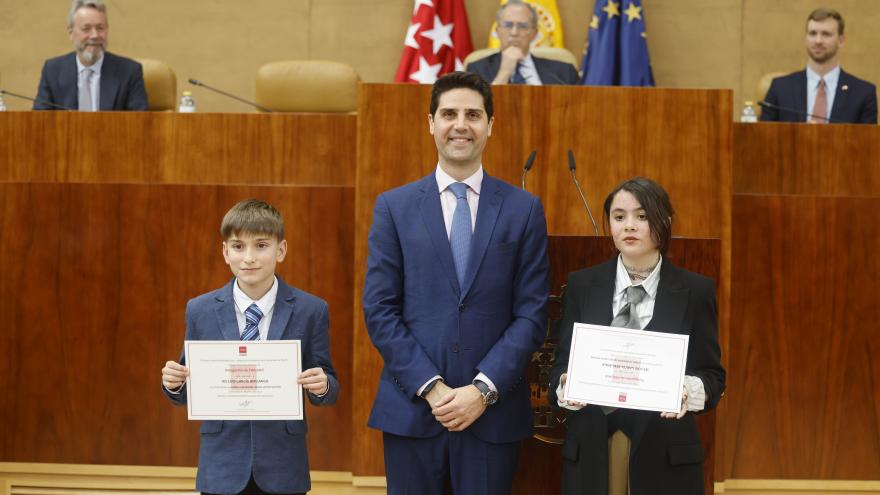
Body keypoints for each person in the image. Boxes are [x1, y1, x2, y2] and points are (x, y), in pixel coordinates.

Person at [362, 71, 549, 494]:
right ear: (431, 123)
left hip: (492, 416)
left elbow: (532, 313)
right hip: (413, 409)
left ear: (490, 125)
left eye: (473, 114)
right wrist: (432, 388)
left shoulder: (523, 209)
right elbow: (379, 308)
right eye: (449, 113)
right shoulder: (394, 207)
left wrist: (482, 391)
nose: (460, 124)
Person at [548, 177, 725, 495]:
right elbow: (560, 365)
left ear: (665, 222)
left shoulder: (696, 291)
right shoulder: (581, 285)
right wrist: (564, 385)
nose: (629, 226)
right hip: (591, 456)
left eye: (642, 216)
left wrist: (685, 389)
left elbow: (713, 377)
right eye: (619, 217)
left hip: (664, 458)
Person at [161, 199, 339, 495]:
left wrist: (322, 386)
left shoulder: (311, 310)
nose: (249, 258)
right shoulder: (200, 310)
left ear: (281, 250)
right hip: (222, 464)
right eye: (238, 247)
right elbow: (188, 390)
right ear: (225, 252)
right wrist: (174, 384)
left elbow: (329, 387)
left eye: (261, 245)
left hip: (284, 464)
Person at [760, 8, 876, 124]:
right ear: (806, 38)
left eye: (826, 34)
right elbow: (764, 138)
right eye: (813, 33)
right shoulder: (780, 88)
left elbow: (867, 140)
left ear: (841, 41)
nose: (818, 41)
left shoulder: (863, 93)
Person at [34, 0, 148, 111]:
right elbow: (40, 122)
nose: (94, 35)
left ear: (107, 30)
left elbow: (139, 124)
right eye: (86, 29)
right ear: (71, 33)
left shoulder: (129, 72)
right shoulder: (52, 71)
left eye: (100, 28)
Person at [465, 0, 578, 86]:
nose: (514, 32)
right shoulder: (476, 70)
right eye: (508, 25)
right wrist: (504, 73)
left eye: (522, 26)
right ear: (497, 31)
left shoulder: (564, 72)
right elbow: (478, 111)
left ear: (534, 33)